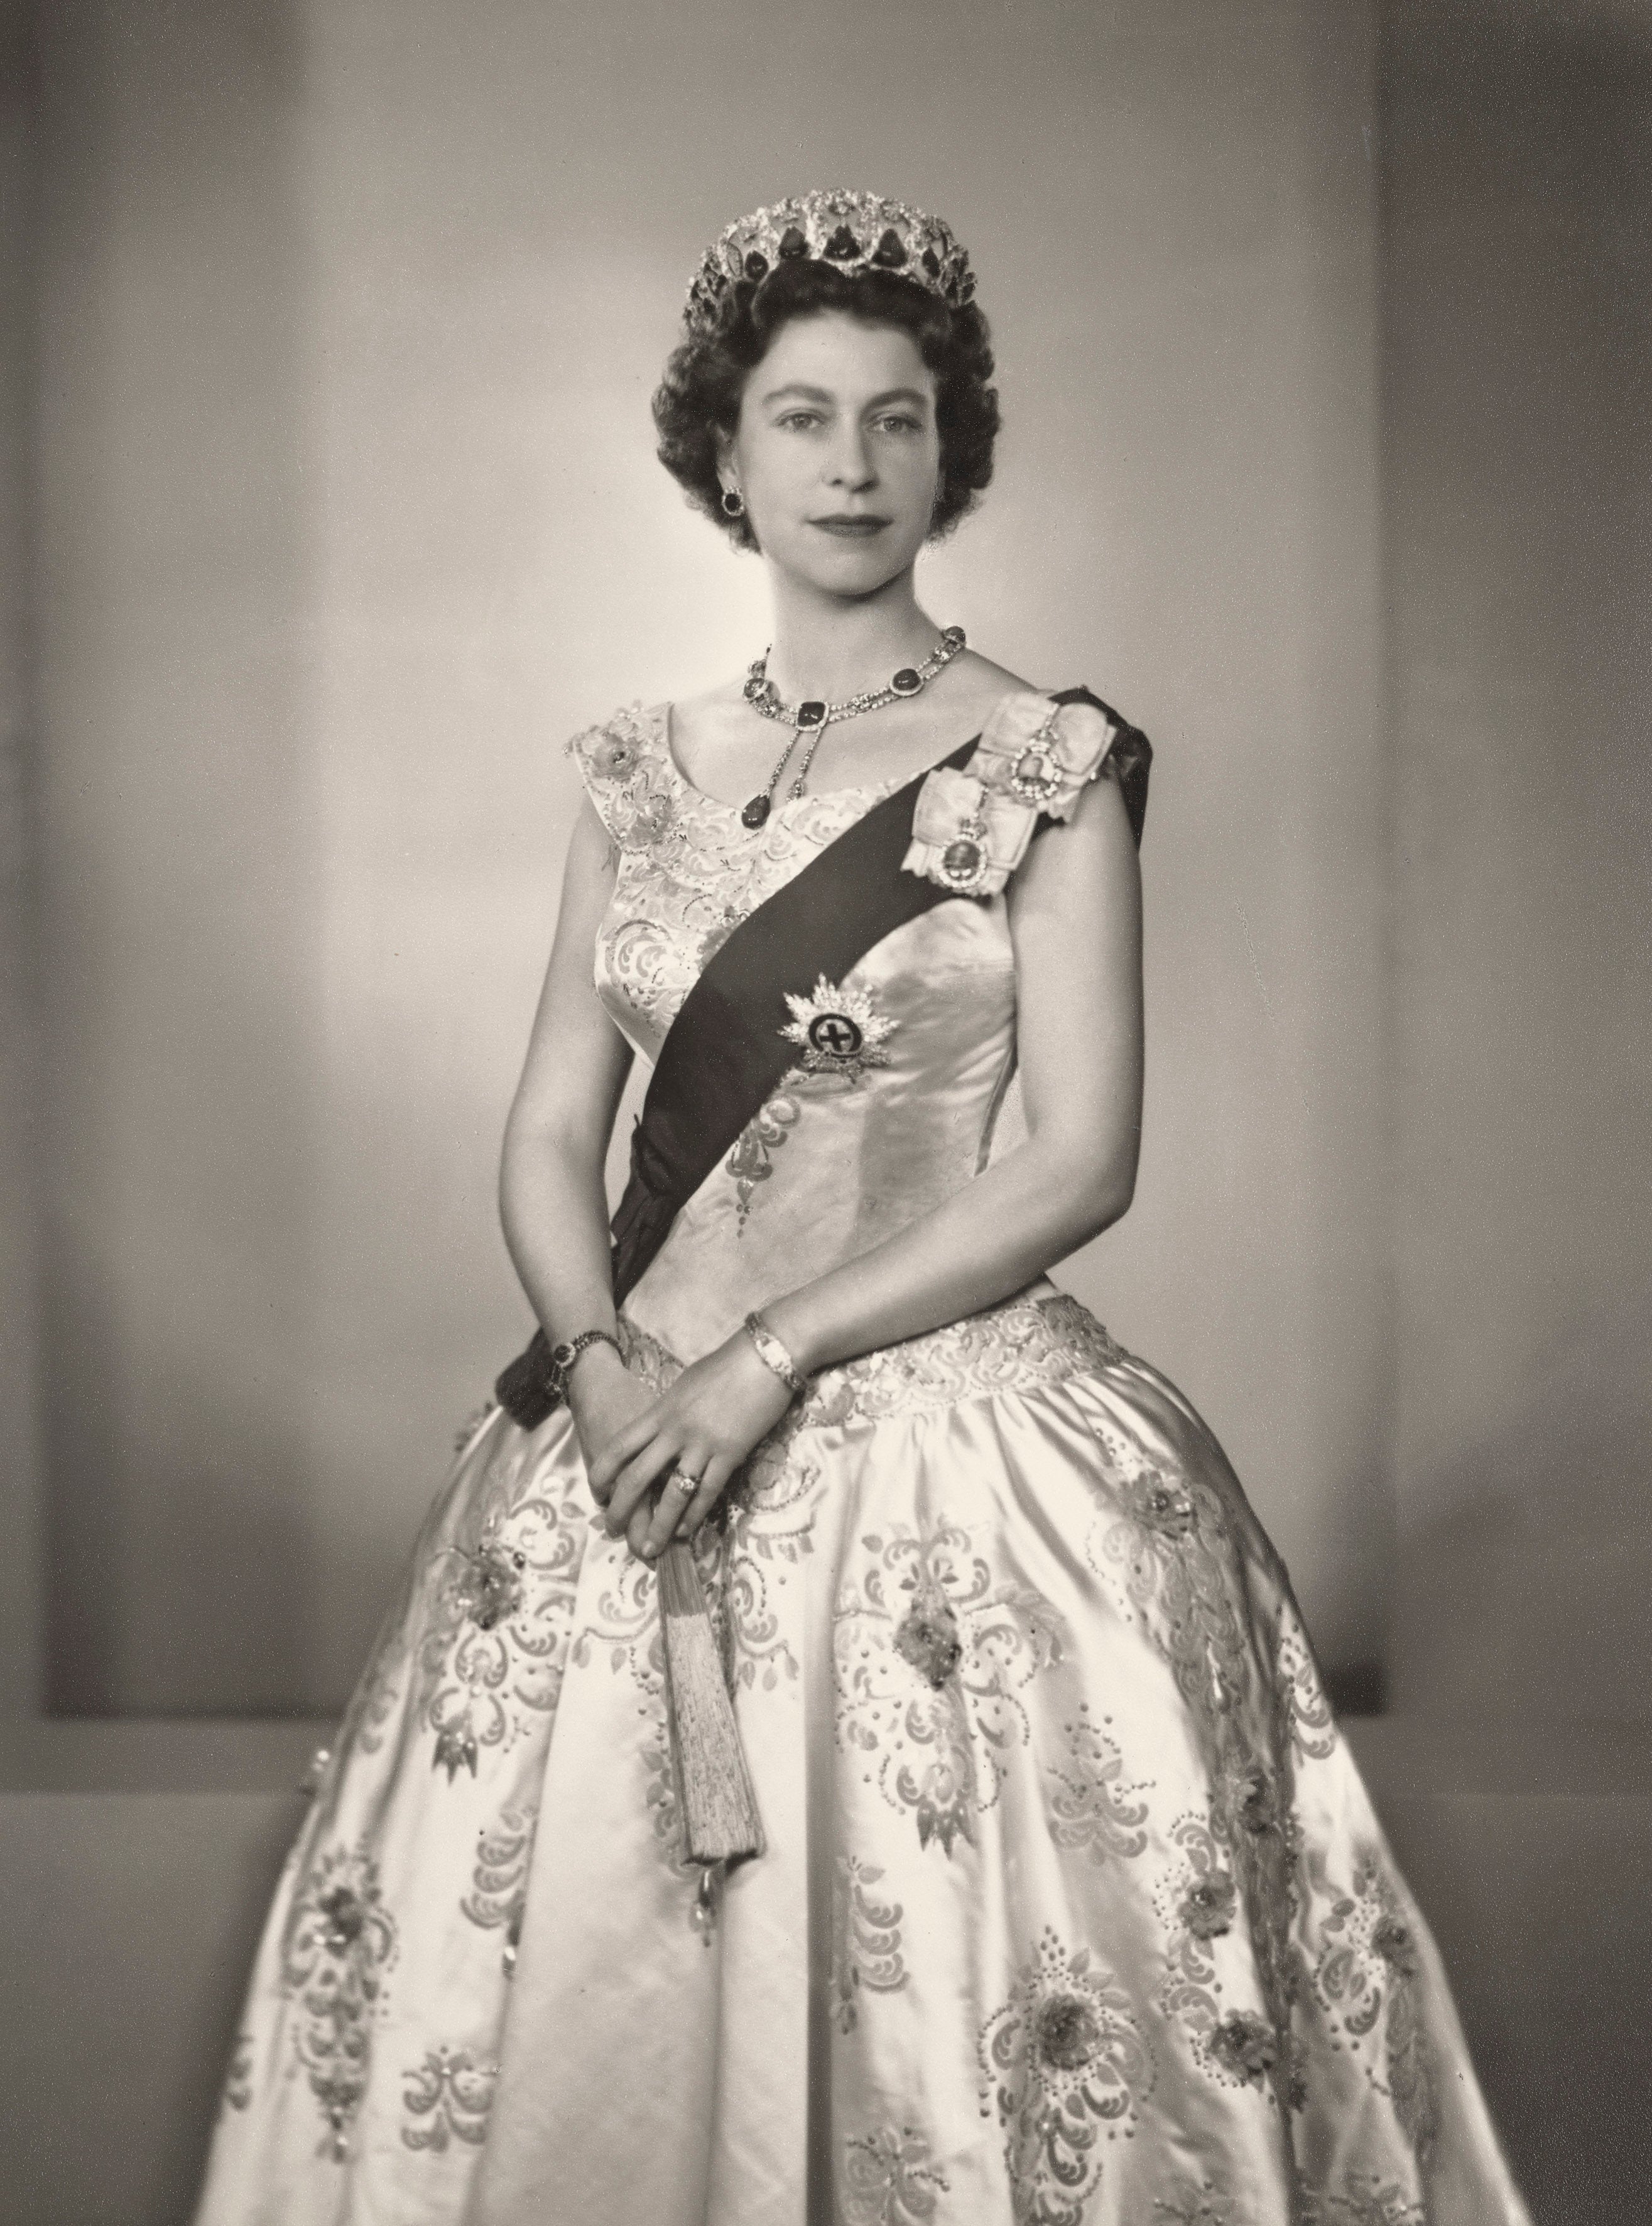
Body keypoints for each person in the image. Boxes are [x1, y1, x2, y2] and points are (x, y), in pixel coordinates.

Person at [194, 190, 1530, 2226]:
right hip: (625, 1424)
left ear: (949, 453)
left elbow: (1082, 1156)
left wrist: (763, 1363)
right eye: (802, 418)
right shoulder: (638, 771)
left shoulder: (1042, 765)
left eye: (895, 421)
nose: (848, 464)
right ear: (720, 455)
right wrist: (605, 1364)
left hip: (953, 1443)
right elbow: (552, 1129)